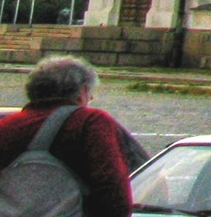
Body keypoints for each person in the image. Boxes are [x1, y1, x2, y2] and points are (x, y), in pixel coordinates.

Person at [0, 55, 139, 217]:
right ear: (82, 91)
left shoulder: (7, 126)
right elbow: (112, 188)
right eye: (89, 91)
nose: (91, 98)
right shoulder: (90, 122)